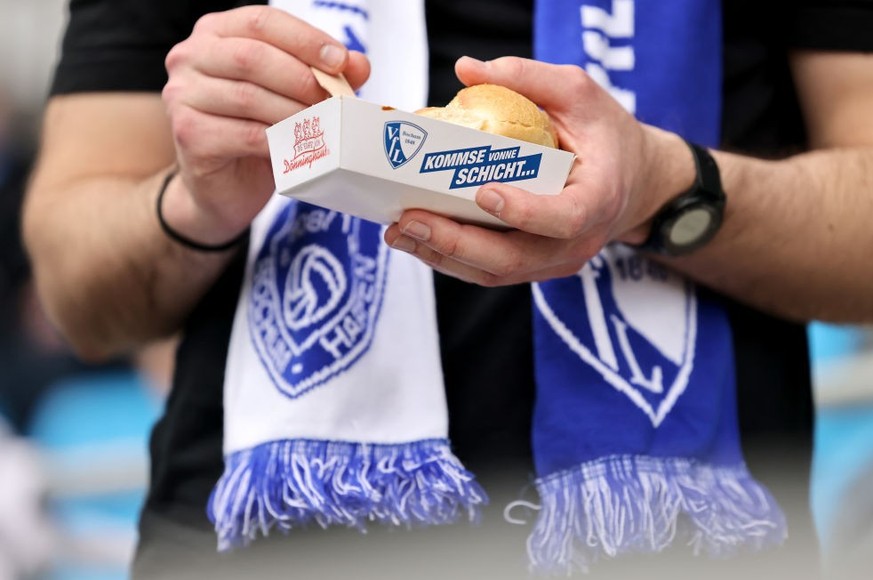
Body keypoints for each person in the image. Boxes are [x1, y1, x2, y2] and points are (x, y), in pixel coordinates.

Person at [21, 1, 873, 579]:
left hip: (683, 543)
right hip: (265, 542)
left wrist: (661, 188)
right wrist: (201, 198)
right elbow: (76, 294)